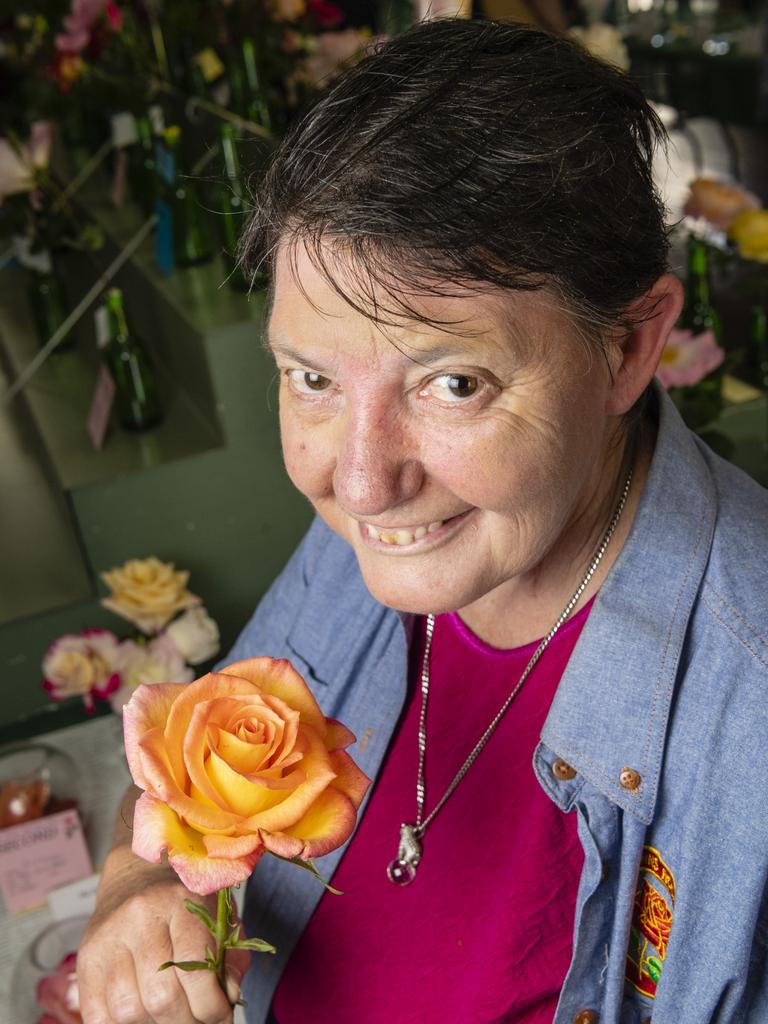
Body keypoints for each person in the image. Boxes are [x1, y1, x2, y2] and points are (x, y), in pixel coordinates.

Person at [77, 17, 768, 1024]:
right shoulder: (397, 532)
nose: (357, 482)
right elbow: (187, 817)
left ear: (627, 349)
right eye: (312, 378)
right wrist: (137, 889)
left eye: (453, 382)